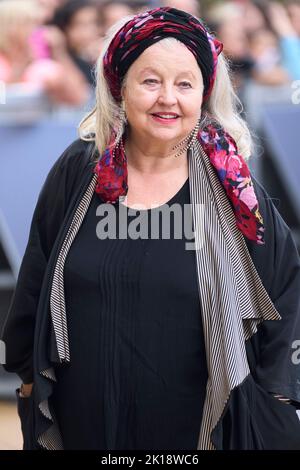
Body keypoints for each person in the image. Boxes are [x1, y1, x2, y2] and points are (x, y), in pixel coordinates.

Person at [1, 6, 300, 451]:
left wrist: (277, 399)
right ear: (120, 89)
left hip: (201, 430)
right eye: (150, 81)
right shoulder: (80, 170)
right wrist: (28, 382)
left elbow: (283, 294)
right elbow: (37, 278)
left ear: (204, 92)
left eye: (184, 83)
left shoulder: (233, 186)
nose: (168, 98)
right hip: (85, 423)